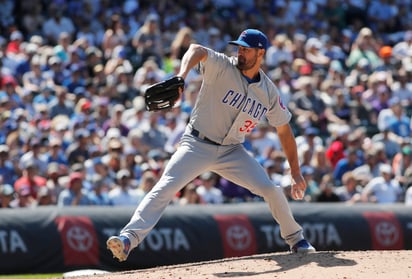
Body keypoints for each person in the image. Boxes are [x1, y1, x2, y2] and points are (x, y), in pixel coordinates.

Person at [106, 29, 315, 261]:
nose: (241, 52)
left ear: (261, 53)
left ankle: (296, 239)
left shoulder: (268, 92)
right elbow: (196, 49)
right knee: (165, 187)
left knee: (271, 190)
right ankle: (128, 239)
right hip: (197, 143)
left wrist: (295, 172)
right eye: (239, 48)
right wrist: (181, 77)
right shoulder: (223, 65)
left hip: (232, 151)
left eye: (246, 49)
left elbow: (284, 130)